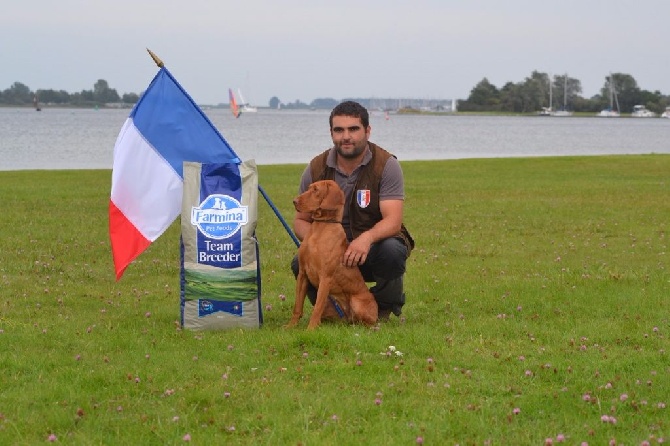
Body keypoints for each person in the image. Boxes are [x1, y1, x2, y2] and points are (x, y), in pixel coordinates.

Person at [291, 101, 414, 321]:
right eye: (339, 130)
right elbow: (301, 220)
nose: (346, 136)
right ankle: (332, 311)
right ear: (331, 133)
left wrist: (365, 239)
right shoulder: (316, 167)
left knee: (392, 252)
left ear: (367, 131)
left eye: (353, 129)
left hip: (371, 249)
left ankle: (383, 308)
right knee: (297, 262)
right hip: (332, 254)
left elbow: (393, 220)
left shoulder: (386, 165)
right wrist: (319, 245)